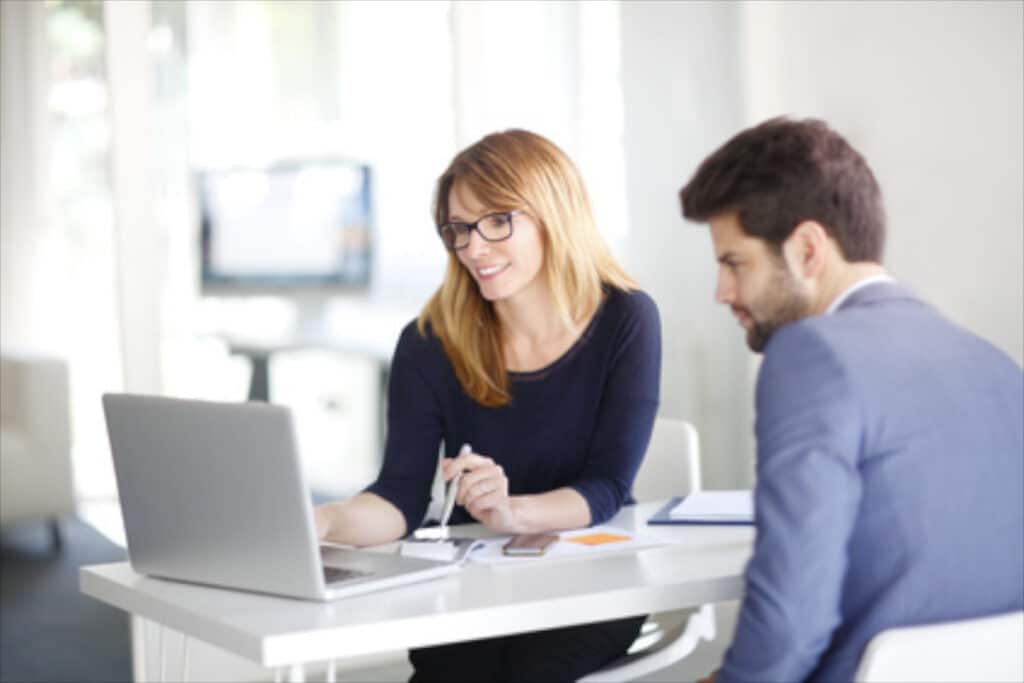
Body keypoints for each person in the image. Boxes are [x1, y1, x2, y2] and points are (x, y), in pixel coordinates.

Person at [678, 117, 1024, 683]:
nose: (723, 293)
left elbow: (792, 621)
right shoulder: (994, 362)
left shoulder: (810, 353)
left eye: (734, 262)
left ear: (807, 249)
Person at [314, 129, 661, 682]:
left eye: (497, 222)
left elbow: (607, 487)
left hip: (590, 580)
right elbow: (400, 498)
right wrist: (323, 519)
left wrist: (510, 512)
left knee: (531, 670)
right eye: (458, 230)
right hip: (471, 587)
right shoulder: (429, 341)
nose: (473, 248)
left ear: (553, 214)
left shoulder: (625, 318)